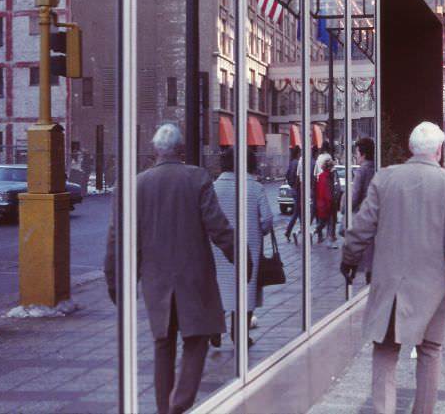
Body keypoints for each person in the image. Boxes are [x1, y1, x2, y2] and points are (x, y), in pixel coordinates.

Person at [340, 122, 445, 414]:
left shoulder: (385, 178)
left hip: (391, 284)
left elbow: (362, 226)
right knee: (430, 350)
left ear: (411, 148)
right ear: (439, 151)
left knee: (386, 351)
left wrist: (349, 259)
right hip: (433, 287)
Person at [104, 124, 236, 414]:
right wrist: (241, 256)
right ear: (181, 149)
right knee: (197, 338)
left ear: (155, 151)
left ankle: (164, 410)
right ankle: (180, 403)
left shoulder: (135, 185)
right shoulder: (197, 178)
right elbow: (218, 226)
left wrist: (115, 282)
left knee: (163, 345)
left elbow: (118, 238)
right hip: (194, 278)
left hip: (156, 282)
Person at [212, 148, 273, 347]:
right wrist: (259, 231)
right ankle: (240, 334)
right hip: (249, 247)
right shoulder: (255, 187)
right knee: (246, 288)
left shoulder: (214, 188)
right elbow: (267, 220)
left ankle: (214, 329)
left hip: (219, 249)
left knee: (220, 288)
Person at [351, 137, 376, 283]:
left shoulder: (362, 171)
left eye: (357, 152)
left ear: (363, 153)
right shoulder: (376, 168)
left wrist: (344, 208)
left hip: (365, 218)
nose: (356, 156)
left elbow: (354, 196)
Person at [315, 157, 340, 248]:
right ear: (329, 168)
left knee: (323, 222)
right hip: (328, 204)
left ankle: (312, 232)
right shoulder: (328, 177)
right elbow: (328, 192)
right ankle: (329, 241)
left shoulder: (321, 176)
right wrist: (332, 201)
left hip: (321, 203)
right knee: (330, 222)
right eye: (332, 167)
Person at [283, 145, 301, 244]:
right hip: (297, 190)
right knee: (297, 212)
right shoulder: (297, 163)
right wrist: (296, 184)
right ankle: (288, 231)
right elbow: (298, 176)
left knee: (300, 211)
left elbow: (286, 175)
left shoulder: (291, 163)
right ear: (298, 153)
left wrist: (291, 184)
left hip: (294, 189)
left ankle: (302, 230)